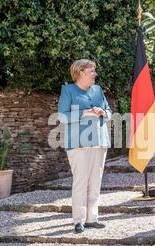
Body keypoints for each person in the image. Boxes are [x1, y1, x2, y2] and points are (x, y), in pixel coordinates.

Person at [57, 59, 113, 233]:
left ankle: (92, 219)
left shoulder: (98, 90)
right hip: (78, 144)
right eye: (91, 71)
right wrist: (85, 112)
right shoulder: (68, 91)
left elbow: (109, 112)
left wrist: (104, 112)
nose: (95, 74)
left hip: (99, 141)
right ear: (80, 72)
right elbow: (62, 116)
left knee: (95, 182)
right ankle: (78, 221)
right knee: (81, 182)